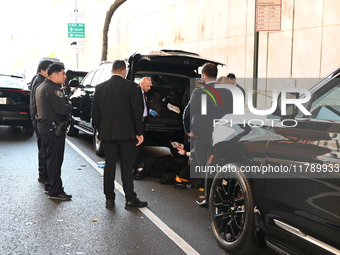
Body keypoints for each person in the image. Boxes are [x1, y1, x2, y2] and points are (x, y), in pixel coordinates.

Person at [92, 60, 148, 209]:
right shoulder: (131, 87)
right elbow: (137, 112)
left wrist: (100, 129)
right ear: (124, 71)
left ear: (112, 70)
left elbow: (95, 114)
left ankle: (109, 199)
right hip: (127, 134)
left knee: (109, 166)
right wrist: (139, 132)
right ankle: (130, 199)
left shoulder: (100, 88)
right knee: (126, 166)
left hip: (108, 135)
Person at [183, 63, 233, 207]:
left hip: (203, 137)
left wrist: (189, 130)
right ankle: (223, 196)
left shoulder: (199, 92)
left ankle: (209, 198)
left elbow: (187, 114)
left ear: (203, 76)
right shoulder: (228, 93)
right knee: (220, 166)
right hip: (224, 136)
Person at [35, 63, 72, 200]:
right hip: (53, 129)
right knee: (55, 159)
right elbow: (62, 110)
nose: (65, 76)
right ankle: (55, 190)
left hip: (44, 127)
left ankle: (50, 184)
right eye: (63, 73)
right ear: (54, 75)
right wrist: (68, 105)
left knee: (48, 157)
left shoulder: (42, 86)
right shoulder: (53, 90)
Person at [29, 60, 53, 183]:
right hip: (40, 119)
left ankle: (43, 173)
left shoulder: (36, 79)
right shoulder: (41, 81)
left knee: (42, 148)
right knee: (44, 149)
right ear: (43, 70)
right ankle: (44, 174)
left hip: (36, 118)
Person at [133, 77, 152, 179]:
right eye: (148, 86)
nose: (149, 88)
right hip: (138, 121)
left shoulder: (144, 93)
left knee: (140, 145)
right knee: (137, 144)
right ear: (142, 84)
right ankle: (134, 167)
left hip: (143, 120)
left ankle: (136, 165)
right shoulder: (136, 93)